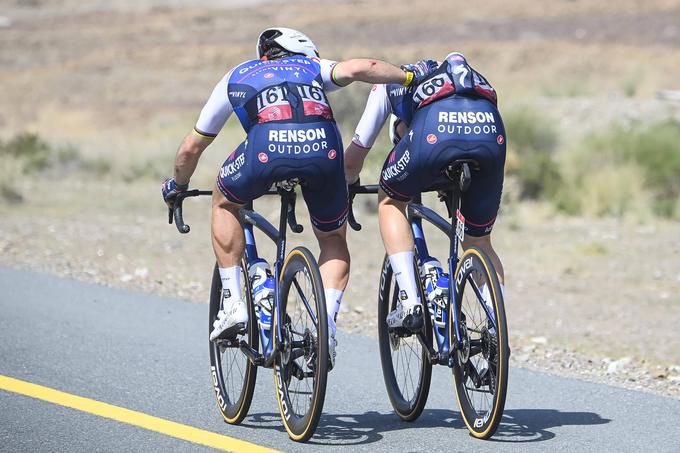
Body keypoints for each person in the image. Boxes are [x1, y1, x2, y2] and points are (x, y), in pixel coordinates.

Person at [161, 27, 437, 366]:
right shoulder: (313, 67)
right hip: (324, 151)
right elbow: (360, 67)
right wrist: (409, 75)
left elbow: (192, 147)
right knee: (334, 240)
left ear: (265, 53)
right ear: (303, 52)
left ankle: (235, 301)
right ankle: (325, 329)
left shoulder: (237, 74)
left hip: (266, 150)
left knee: (225, 201)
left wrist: (178, 185)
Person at [344, 52, 506, 331]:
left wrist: (346, 186)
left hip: (433, 136)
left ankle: (410, 302)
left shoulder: (389, 83)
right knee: (479, 241)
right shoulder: (475, 79)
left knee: (390, 202)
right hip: (490, 135)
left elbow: (353, 159)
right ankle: (497, 330)